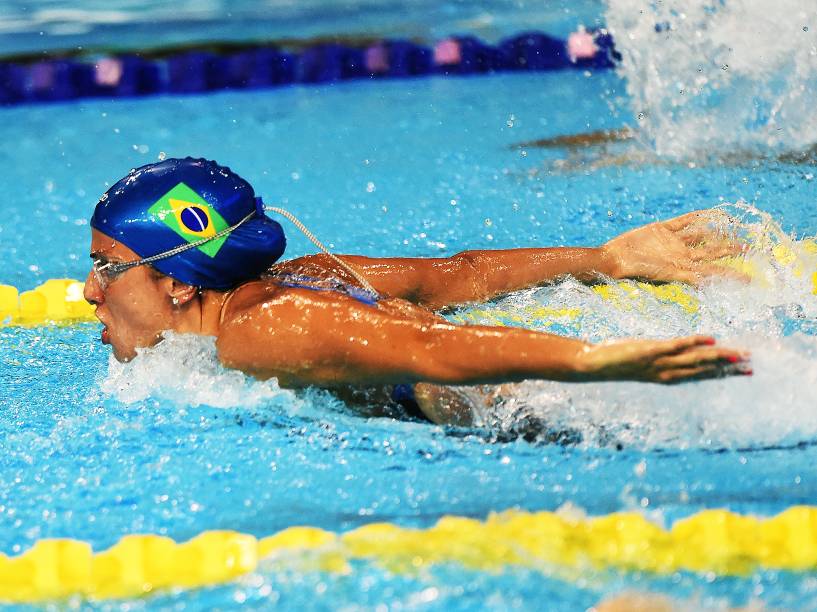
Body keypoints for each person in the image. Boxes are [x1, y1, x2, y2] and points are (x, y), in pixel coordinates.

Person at [84, 158, 750, 425]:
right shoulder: (304, 277)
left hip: (545, 418)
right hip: (531, 400)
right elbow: (456, 274)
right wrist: (605, 257)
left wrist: (589, 363)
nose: (88, 291)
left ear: (174, 280)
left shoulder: (261, 328)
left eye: (107, 266)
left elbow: (433, 347)